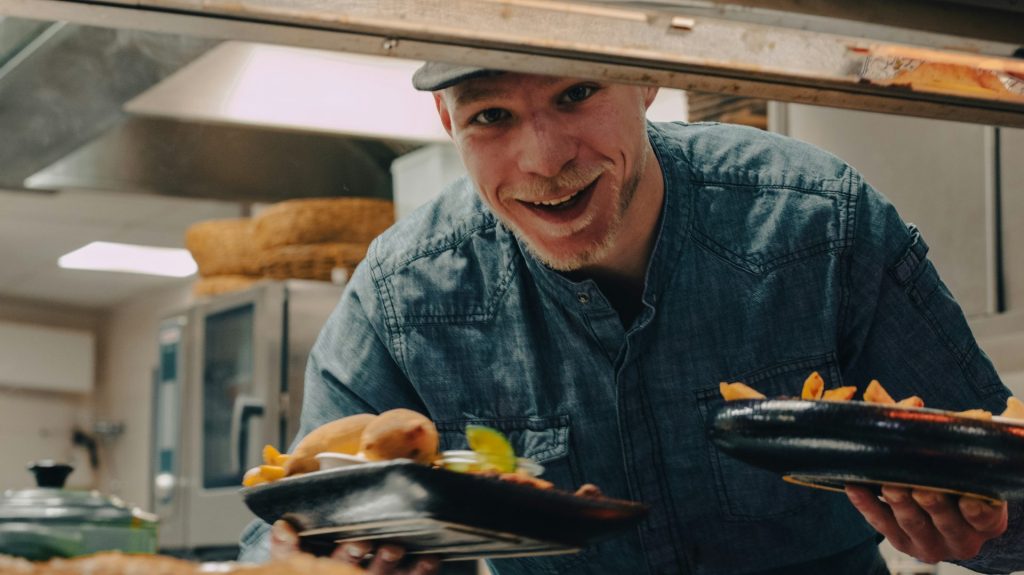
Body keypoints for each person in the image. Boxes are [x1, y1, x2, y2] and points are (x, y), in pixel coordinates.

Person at [238, 61, 1024, 574]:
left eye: (575, 94)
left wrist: (980, 528)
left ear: (644, 78)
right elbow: (286, 531)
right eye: (490, 118)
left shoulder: (816, 224)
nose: (544, 159)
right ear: (448, 124)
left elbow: (1009, 490)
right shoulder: (402, 296)